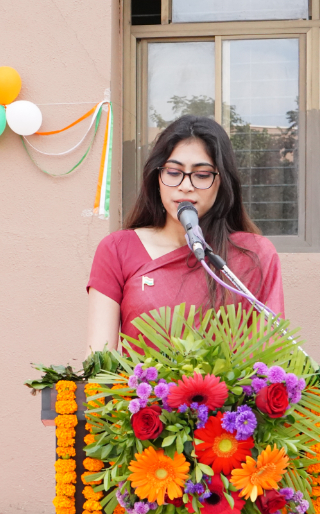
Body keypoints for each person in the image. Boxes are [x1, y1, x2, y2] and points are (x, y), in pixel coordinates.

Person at [86, 116, 283, 354]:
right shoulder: (117, 249)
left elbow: (268, 358)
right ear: (156, 177)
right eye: (173, 172)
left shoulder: (254, 254)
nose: (186, 186)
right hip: (138, 381)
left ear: (222, 182)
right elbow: (99, 360)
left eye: (202, 175)